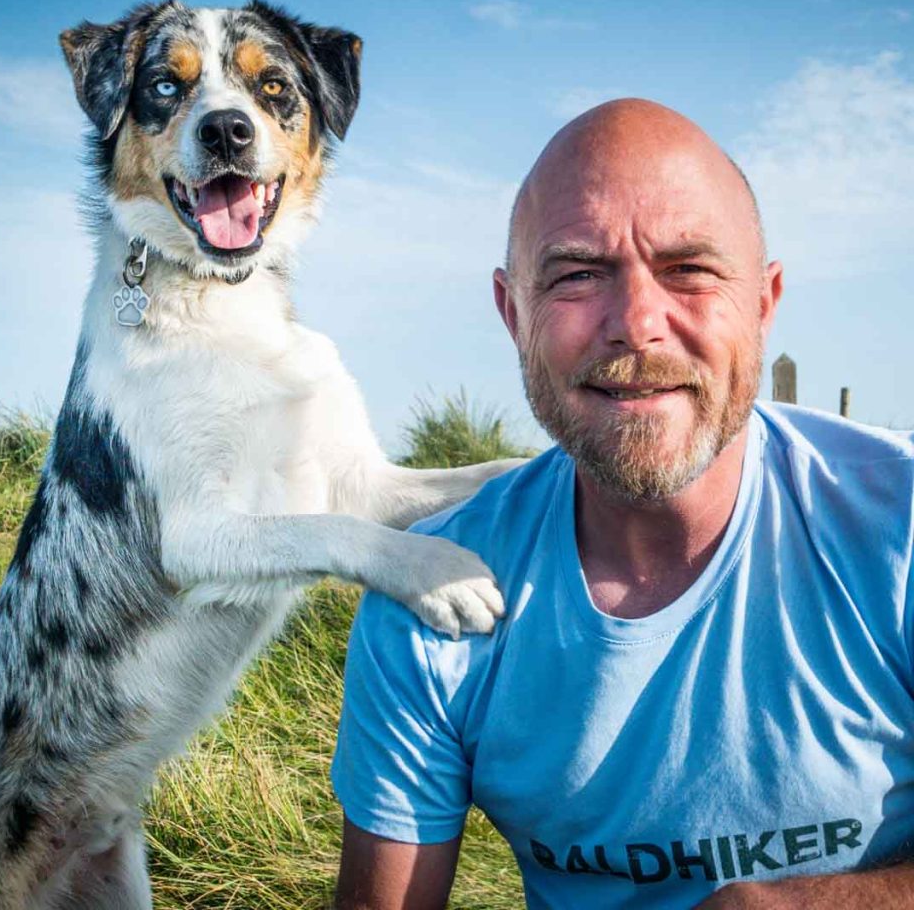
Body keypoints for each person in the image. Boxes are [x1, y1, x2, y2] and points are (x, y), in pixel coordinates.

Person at [329, 99, 914, 909]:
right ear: (513, 314)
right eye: (576, 275)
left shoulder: (901, 530)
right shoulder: (434, 598)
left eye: (690, 270)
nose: (638, 325)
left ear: (764, 303)